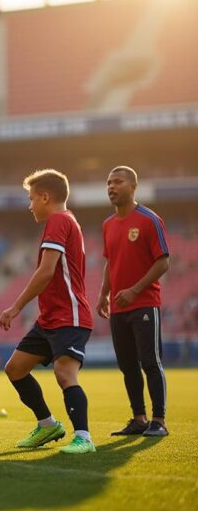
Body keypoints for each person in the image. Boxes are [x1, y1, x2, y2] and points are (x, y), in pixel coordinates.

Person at [0, 169, 95, 454]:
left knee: (64, 373)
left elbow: (45, 272)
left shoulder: (58, 220)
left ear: (45, 196)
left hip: (70, 314)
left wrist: (16, 307)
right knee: (15, 369)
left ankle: (84, 438)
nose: (30, 205)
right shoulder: (64, 221)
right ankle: (47, 425)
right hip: (51, 317)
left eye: (31, 199)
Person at [99, 166, 170, 437]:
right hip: (119, 307)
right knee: (127, 365)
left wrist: (134, 290)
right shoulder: (108, 225)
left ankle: (159, 420)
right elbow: (110, 262)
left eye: (117, 182)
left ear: (133, 186)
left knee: (150, 362)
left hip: (144, 304)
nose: (111, 187)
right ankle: (139, 418)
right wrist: (103, 293)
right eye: (108, 183)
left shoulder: (149, 220)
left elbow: (163, 262)